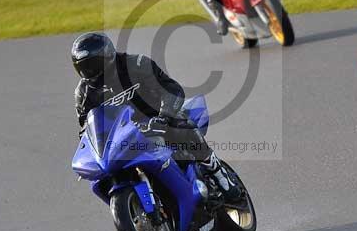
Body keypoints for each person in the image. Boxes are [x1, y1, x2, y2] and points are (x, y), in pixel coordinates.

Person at [71, 32, 239, 199]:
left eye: (93, 65)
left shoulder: (136, 65)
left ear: (107, 56)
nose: (90, 71)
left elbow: (170, 89)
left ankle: (217, 171)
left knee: (180, 124)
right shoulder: (84, 92)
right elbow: (87, 126)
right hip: (124, 136)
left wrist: (164, 116)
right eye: (84, 67)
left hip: (157, 118)